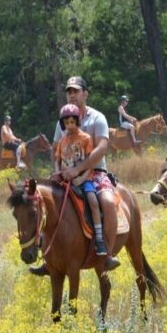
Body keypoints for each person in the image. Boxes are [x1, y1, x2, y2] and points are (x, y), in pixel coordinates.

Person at [31, 76, 120, 276]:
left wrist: (79, 169)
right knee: (44, 202)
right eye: (69, 92)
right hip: (65, 172)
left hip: (94, 171)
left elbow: (102, 148)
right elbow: (56, 149)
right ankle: (48, 258)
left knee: (106, 200)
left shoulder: (97, 118)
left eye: (76, 91)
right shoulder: (62, 121)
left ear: (85, 93)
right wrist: (57, 170)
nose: (71, 95)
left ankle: (107, 254)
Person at [55, 103, 109, 257]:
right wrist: (58, 174)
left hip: (84, 179)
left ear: (77, 121)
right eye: (66, 123)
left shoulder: (85, 138)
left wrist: (81, 179)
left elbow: (90, 164)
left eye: (72, 122)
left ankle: (99, 238)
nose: (69, 126)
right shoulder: (62, 141)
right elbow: (57, 160)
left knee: (92, 200)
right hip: (65, 180)